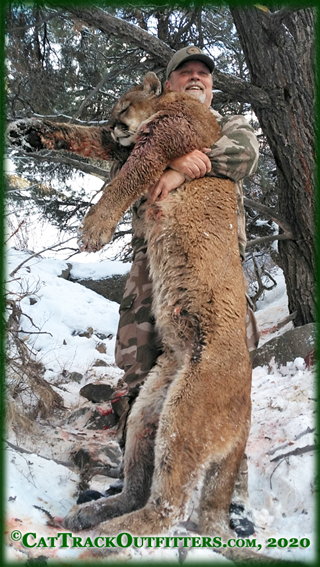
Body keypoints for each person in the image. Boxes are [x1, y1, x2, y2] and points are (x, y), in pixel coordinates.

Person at [111, 47, 260, 447]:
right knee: (140, 370)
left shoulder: (230, 124)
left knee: (219, 369)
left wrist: (182, 168)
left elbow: (245, 154)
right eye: (185, 73)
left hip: (216, 267)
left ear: (211, 86)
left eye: (204, 74)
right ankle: (136, 475)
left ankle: (223, 480)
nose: (196, 78)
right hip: (153, 264)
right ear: (168, 84)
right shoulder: (144, 128)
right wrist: (173, 151)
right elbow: (120, 163)